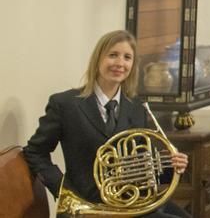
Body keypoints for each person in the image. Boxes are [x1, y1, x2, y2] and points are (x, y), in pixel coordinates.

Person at [24, 31, 191, 217]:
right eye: (113, 55)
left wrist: (171, 166)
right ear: (98, 59)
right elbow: (34, 151)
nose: (120, 63)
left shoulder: (137, 107)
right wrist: (65, 192)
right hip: (88, 205)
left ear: (132, 65)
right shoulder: (65, 104)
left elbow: (144, 169)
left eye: (127, 57)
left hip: (131, 204)